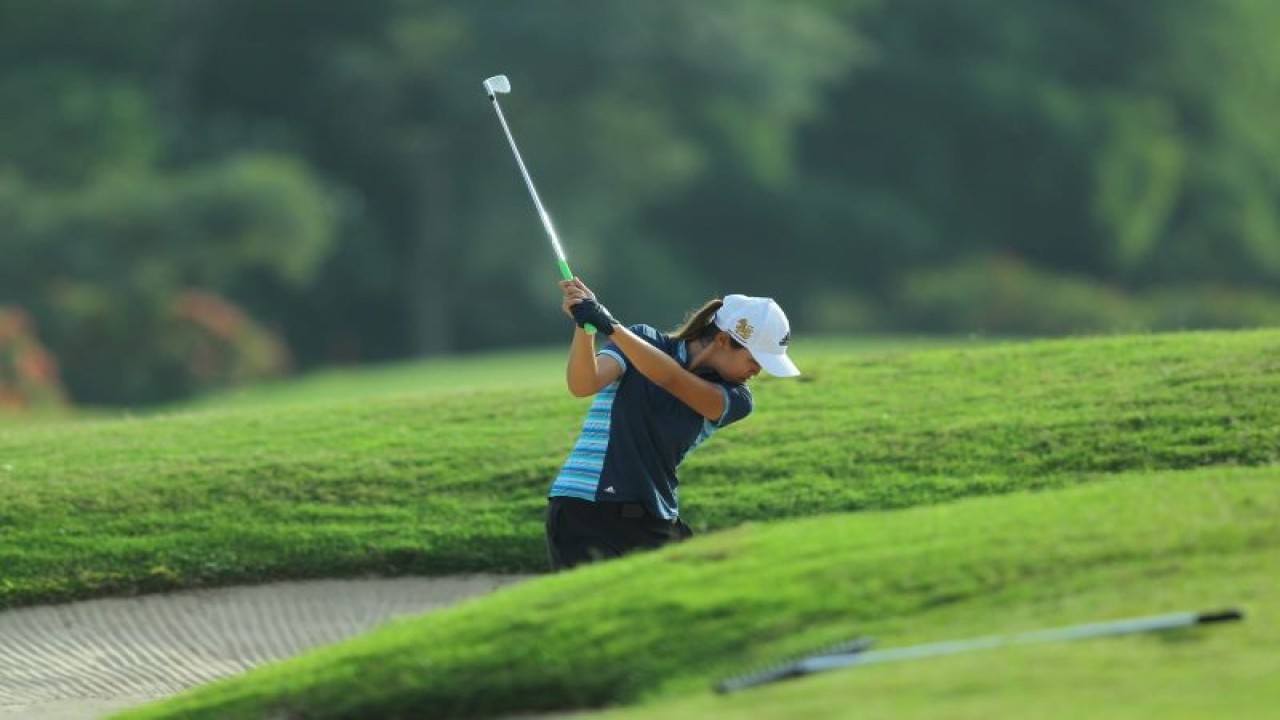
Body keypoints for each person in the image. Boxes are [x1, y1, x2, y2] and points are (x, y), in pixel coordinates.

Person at [544, 277, 801, 571]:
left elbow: (671, 378)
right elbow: (583, 384)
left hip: (652, 518)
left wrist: (610, 325)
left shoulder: (737, 399)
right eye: (755, 359)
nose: (758, 370)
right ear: (722, 340)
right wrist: (586, 323)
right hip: (582, 509)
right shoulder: (643, 340)